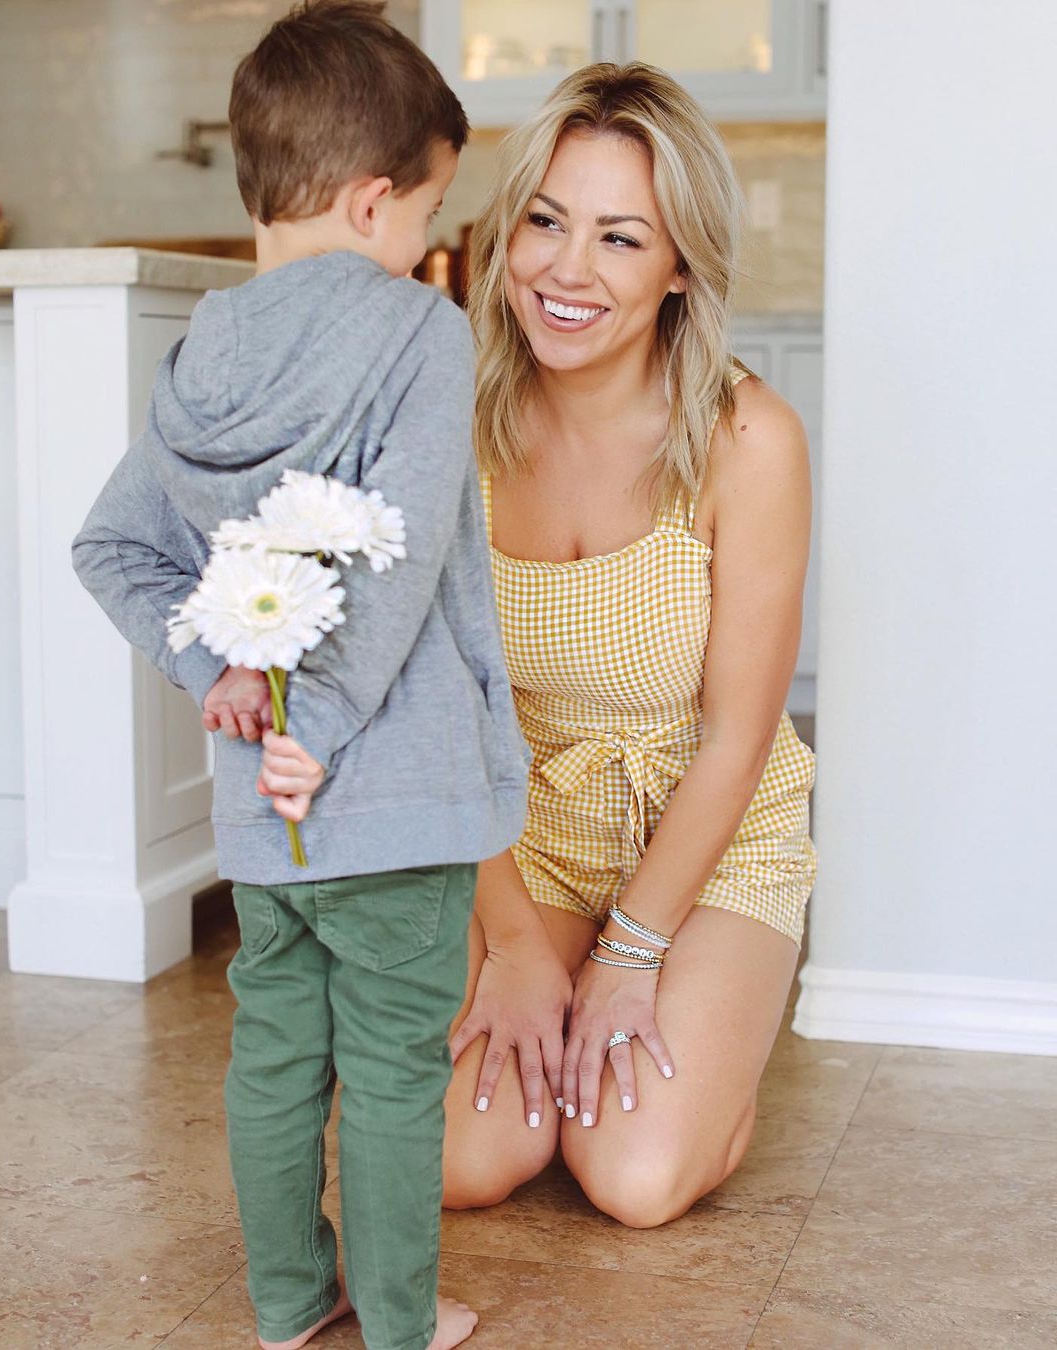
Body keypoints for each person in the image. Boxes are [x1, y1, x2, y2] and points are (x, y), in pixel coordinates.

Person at [72, 3, 530, 1347]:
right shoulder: (419, 333)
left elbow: (112, 546)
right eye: (433, 210)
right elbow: (396, 574)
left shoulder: (201, 346)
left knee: (275, 1057)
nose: (431, 243)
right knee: (392, 1068)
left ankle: (286, 1302)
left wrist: (214, 666)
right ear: (374, 200)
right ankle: (396, 1320)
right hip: (388, 792)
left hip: (260, 819)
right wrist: (317, 726)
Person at [441, 62, 818, 1228]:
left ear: (679, 269)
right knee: (463, 1164)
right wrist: (511, 943)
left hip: (713, 841)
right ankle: (590, 1065)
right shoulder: (449, 421)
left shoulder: (748, 438)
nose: (567, 269)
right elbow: (438, 711)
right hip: (525, 832)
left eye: (619, 238)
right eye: (545, 222)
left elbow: (740, 735)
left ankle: (714, 1079)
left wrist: (632, 950)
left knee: (635, 1179)